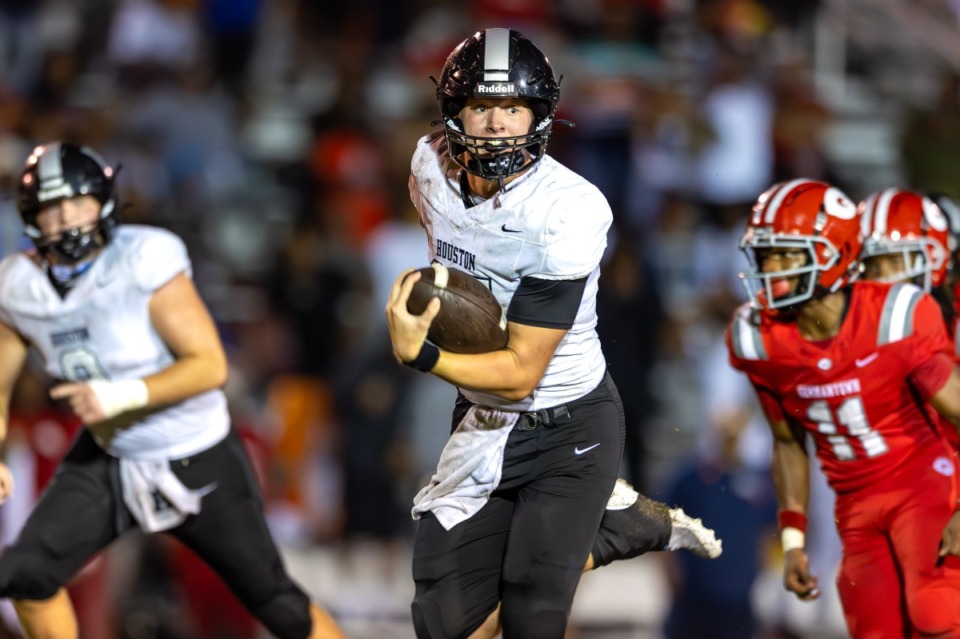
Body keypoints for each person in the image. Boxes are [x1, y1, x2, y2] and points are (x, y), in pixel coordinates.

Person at [384, 28, 719, 639]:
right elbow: (457, 264)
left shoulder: (568, 209)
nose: (496, 125)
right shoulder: (427, 165)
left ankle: (614, 527)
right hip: (482, 417)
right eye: (481, 107)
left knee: (533, 617)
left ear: (538, 114)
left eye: (511, 108)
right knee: (442, 625)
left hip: (567, 423)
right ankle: (607, 523)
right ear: (454, 111)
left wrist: (426, 351)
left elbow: (521, 375)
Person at [0, 142, 344, 639]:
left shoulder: (143, 258)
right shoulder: (18, 284)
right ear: (32, 218)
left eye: (77, 203)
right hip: (112, 452)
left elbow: (209, 365)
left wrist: (119, 396)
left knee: (274, 599)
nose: (67, 220)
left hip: (194, 450)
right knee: (27, 576)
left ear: (105, 202)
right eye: (52, 209)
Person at [727, 178, 960, 638]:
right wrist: (793, 537)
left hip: (927, 485)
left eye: (786, 255)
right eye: (767, 255)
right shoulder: (759, 338)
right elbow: (786, 441)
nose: (772, 270)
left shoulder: (896, 316)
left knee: (935, 611)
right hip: (854, 507)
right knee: (872, 626)